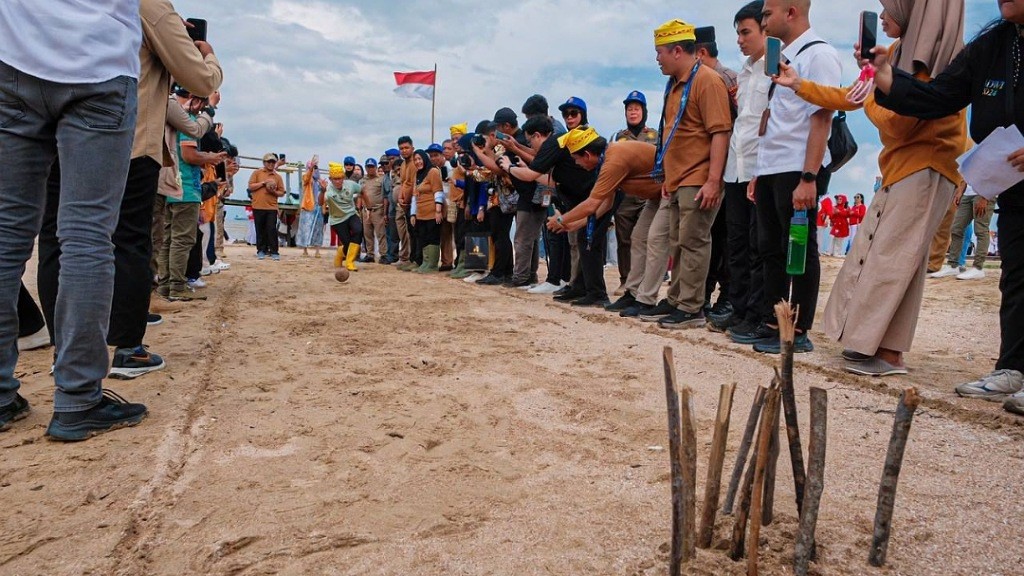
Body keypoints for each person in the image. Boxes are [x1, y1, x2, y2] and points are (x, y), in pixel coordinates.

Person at [38, 0, 223, 382]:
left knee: (59, 240)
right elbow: (200, 80)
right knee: (129, 243)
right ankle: (127, 348)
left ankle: (65, 350)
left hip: (58, 135)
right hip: (130, 139)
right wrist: (207, 53)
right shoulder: (147, 5)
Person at [785, 0, 965, 375]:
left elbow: (897, 123)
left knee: (891, 259)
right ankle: (884, 348)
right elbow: (849, 96)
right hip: (904, 167)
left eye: (888, 9)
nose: (881, 18)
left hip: (926, 165)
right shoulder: (898, 52)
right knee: (893, 259)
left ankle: (887, 351)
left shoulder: (933, 57)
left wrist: (873, 86)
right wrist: (800, 85)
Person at [0, 0, 149, 439]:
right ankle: (78, 398)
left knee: (6, 236)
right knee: (87, 236)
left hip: (14, 56)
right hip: (100, 63)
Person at [729, 0, 841, 353]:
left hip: (797, 169)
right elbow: (773, 120)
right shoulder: (782, 58)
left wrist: (809, 177)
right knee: (770, 249)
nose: (763, 21)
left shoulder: (818, 54)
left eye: (766, 14)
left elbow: (821, 118)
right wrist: (758, 173)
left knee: (798, 248)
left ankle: (799, 329)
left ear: (790, 12)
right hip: (772, 169)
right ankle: (772, 322)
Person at [640, 19, 732, 329]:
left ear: (678, 51)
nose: (657, 59)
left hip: (699, 177)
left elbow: (720, 132)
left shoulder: (707, 81)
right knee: (678, 242)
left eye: (660, 52)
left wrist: (713, 180)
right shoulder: (675, 84)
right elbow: (675, 133)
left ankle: (692, 308)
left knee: (693, 242)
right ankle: (677, 299)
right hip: (678, 179)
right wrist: (667, 175)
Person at [712, 0, 770, 335]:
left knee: (757, 246)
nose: (740, 39)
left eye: (746, 32)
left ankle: (756, 313)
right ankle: (739, 307)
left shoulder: (778, 69)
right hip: (736, 169)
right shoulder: (745, 73)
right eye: (738, 33)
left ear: (766, 29)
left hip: (759, 170)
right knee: (735, 244)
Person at [610, 91, 660, 297]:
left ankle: (644, 284)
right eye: (629, 109)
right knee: (624, 240)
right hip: (625, 197)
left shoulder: (654, 135)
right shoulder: (618, 137)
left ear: (644, 112)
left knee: (647, 239)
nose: (633, 113)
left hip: (648, 195)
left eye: (636, 109)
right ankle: (625, 280)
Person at [931, 184, 997, 280]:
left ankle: (978, 268)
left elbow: (994, 175)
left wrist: (985, 197)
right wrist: (960, 191)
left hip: (984, 194)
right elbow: (967, 173)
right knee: (956, 229)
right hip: (967, 193)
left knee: (981, 230)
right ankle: (953, 265)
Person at [409, 150, 445, 273]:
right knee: (423, 237)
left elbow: (438, 191)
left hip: (432, 211)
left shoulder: (433, 171)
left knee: (433, 237)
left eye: (420, 159)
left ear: (425, 158)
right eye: (415, 160)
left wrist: (438, 211)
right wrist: (413, 213)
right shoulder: (417, 174)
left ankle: (432, 264)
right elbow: (414, 195)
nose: (418, 162)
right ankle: (425, 262)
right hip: (421, 213)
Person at [325, 162, 363, 272]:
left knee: (358, 230)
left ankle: (349, 261)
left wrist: (367, 205)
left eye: (340, 178)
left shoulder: (350, 184)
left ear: (343, 177)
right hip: (337, 219)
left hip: (351, 213)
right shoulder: (329, 191)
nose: (338, 181)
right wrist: (322, 191)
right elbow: (320, 201)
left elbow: (362, 191)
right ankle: (341, 252)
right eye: (335, 179)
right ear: (330, 179)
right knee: (347, 243)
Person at [248, 153, 286, 260]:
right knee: (260, 229)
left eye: (273, 162)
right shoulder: (257, 173)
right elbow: (251, 186)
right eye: (269, 162)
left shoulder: (277, 177)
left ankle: (274, 251)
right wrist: (263, 183)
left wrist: (273, 192)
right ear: (264, 162)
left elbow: (282, 192)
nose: (271, 164)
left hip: (271, 207)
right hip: (258, 206)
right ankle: (261, 250)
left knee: (271, 229)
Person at [394, 137, 417, 270]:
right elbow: (403, 183)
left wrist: (407, 200)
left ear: (412, 148)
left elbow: (413, 184)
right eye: (401, 148)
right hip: (405, 204)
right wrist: (401, 199)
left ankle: (416, 260)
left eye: (406, 148)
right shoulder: (403, 165)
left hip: (415, 203)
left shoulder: (416, 162)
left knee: (416, 233)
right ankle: (410, 258)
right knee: (410, 232)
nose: (404, 150)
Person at [298, 155, 327, 258]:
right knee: (305, 228)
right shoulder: (306, 179)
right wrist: (311, 168)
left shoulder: (320, 181)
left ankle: (317, 250)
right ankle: (305, 250)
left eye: (315, 168)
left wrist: (324, 206)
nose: (314, 170)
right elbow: (307, 177)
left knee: (318, 229)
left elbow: (323, 195)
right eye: (312, 168)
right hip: (307, 206)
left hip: (318, 206)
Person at [360, 158, 389, 263]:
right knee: (367, 234)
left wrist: (385, 211)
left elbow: (386, 195)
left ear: (376, 167)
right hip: (365, 211)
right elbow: (360, 195)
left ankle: (384, 255)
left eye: (372, 167)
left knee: (381, 233)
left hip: (378, 210)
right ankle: (370, 254)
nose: (370, 169)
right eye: (368, 167)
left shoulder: (381, 179)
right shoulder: (362, 180)